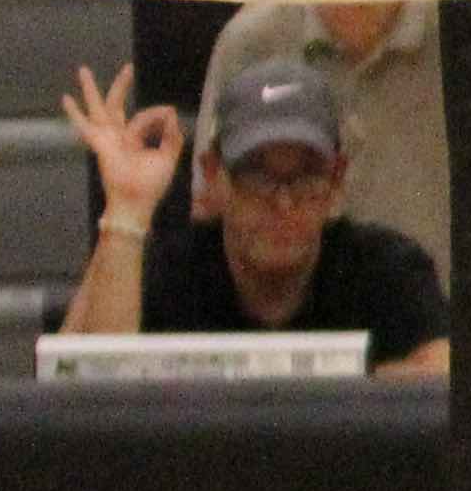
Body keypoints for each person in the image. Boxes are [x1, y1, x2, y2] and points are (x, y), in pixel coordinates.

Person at [56, 60, 448, 374]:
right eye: (257, 177)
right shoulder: (170, 270)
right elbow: (81, 386)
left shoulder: (386, 268)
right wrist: (127, 207)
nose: (283, 204)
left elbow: (444, 377)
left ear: (337, 179)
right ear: (213, 176)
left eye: (306, 178)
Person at [205, 0, 455, 276]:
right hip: (302, 324)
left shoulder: (460, 36)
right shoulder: (251, 40)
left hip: (439, 324)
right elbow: (211, 204)